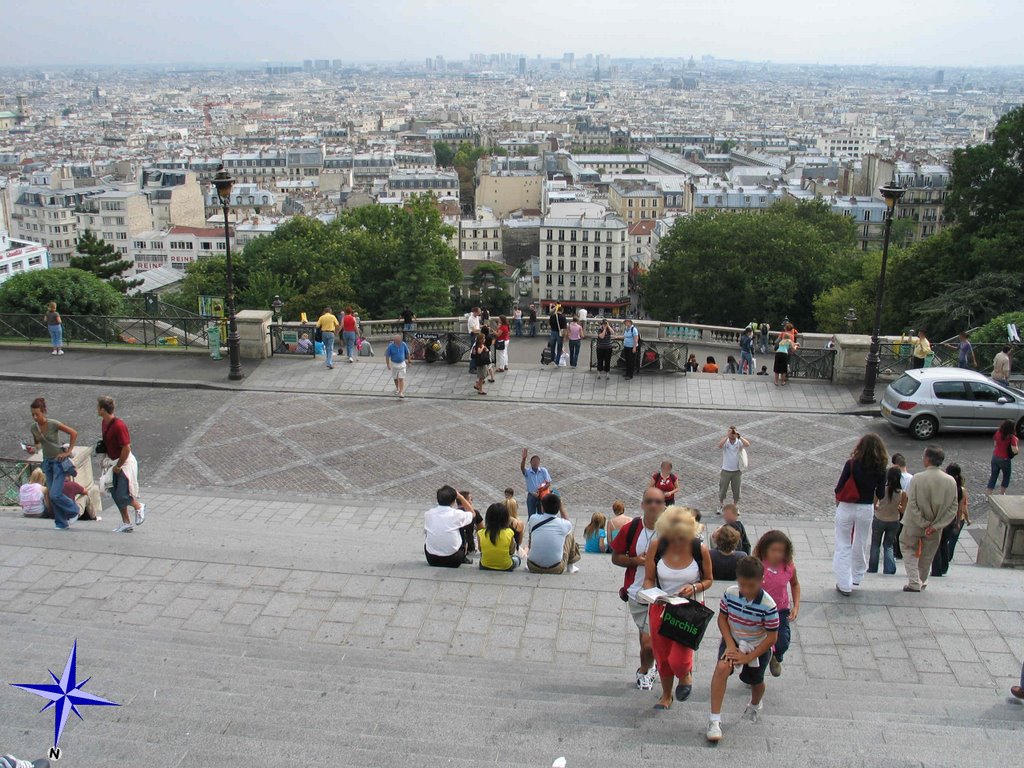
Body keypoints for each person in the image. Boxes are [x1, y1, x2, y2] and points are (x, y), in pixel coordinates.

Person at [644, 505, 713, 710]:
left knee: (679, 659)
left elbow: (709, 579)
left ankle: (685, 675)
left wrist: (694, 587)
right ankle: (666, 696)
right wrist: (652, 594)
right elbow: (649, 579)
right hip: (661, 607)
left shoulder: (699, 549)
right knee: (663, 657)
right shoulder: (657, 546)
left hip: (688, 610)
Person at [706, 556, 780, 743]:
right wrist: (730, 645)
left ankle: (755, 704)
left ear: (761, 581)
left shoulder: (769, 606)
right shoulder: (730, 593)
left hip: (757, 646)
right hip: (734, 640)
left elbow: (772, 637)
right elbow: (722, 618)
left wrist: (749, 657)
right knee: (722, 669)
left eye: (751, 586)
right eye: (742, 585)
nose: (746, 590)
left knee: (756, 681)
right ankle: (714, 720)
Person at [611, 488, 667, 691]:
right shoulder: (632, 528)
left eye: (658, 502)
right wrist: (636, 560)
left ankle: (646, 670)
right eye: (649, 501)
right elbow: (616, 557)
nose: (653, 505)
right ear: (642, 505)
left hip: (664, 596)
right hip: (638, 594)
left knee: (648, 641)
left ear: (664, 506)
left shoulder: (671, 531)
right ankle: (648, 667)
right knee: (647, 640)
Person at [833, 433, 888, 596]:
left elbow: (838, 488)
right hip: (865, 508)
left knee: (843, 544)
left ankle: (844, 583)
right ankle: (857, 576)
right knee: (861, 541)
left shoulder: (851, 464)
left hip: (847, 506)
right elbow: (881, 493)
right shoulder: (881, 467)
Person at [900, 445, 958, 593]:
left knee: (907, 547)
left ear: (927, 459)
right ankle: (921, 580)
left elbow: (911, 503)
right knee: (927, 555)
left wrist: (923, 522)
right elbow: (953, 508)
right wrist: (936, 525)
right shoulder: (950, 481)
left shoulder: (918, 478)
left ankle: (914, 580)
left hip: (914, 523)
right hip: (935, 526)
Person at [25, 397, 79, 530]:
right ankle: (61, 523)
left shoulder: (53, 424)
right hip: (47, 463)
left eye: (37, 414)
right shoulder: (34, 427)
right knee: (51, 494)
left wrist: (68, 452)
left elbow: (73, 433)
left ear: (43, 411)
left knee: (55, 494)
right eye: (32, 414)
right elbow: (38, 444)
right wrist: (33, 448)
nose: (35, 417)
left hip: (58, 462)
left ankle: (74, 510)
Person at [755, 531, 800, 678]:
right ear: (765, 549)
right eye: (773, 550)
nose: (777, 554)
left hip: (779, 609)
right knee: (755, 644)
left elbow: (795, 584)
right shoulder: (757, 564)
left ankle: (776, 657)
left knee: (783, 641)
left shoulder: (788, 567)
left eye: (781, 551)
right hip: (757, 610)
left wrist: (796, 606)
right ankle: (753, 673)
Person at [98, 395, 146, 533]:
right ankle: (126, 522)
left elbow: (126, 448)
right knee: (113, 492)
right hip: (113, 463)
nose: (97, 409)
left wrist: (118, 466)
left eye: (98, 407)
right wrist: (106, 458)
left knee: (122, 494)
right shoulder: (104, 423)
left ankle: (139, 506)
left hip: (124, 463)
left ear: (102, 409)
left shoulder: (119, 425)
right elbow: (107, 443)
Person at [526, 492, 580, 574]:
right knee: (570, 535)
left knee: (533, 533)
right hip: (556, 568)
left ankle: (534, 556)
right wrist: (561, 507)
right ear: (558, 508)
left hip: (532, 566)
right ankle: (570, 567)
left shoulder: (533, 518)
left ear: (542, 507)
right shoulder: (563, 524)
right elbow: (569, 525)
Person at [931, 463, 969, 578]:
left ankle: (936, 569)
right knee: (944, 543)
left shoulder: (944, 484)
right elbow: (960, 507)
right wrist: (957, 522)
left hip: (941, 517)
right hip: (951, 519)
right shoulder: (961, 489)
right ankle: (944, 567)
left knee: (936, 544)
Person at [868, 466, 907, 576]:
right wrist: (897, 506)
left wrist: (880, 507)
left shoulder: (881, 490)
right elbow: (903, 509)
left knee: (875, 544)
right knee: (888, 545)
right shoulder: (902, 493)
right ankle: (889, 569)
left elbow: (874, 505)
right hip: (894, 520)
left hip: (879, 518)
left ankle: (872, 568)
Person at [424, 486, 475, 567]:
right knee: (462, 530)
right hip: (453, 560)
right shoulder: (457, 514)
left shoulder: (428, 514)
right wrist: (461, 497)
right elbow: (472, 513)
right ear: (454, 501)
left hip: (432, 559)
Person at [478, 502, 522, 571]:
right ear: (506, 518)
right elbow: (512, 551)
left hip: (485, 565)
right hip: (506, 566)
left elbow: (480, 550)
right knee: (517, 559)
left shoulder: (480, 533)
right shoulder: (509, 532)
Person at [718, 427, 750, 510]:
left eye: (733, 433)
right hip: (726, 470)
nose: (732, 435)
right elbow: (720, 445)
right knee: (723, 489)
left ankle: (735, 506)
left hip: (737, 471)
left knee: (736, 490)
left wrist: (739, 436)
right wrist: (727, 436)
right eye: (730, 433)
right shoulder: (726, 442)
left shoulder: (739, 442)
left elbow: (747, 444)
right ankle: (721, 504)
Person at [987, 419, 1019, 496]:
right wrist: (1016, 443)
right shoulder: (1012, 437)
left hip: (995, 457)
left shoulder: (998, 433)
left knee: (993, 476)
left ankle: (989, 494)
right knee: (1006, 476)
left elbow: (995, 444)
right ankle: (1002, 493)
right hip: (1005, 459)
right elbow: (1015, 451)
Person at [891, 452, 914, 560]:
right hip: (907, 508)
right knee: (902, 530)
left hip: (896, 507)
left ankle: (896, 551)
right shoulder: (912, 478)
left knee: (895, 531)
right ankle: (900, 551)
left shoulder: (895, 477)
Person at [520, 448, 553, 517]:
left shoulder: (543, 470)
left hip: (542, 496)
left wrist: (540, 490)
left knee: (541, 515)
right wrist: (523, 459)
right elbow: (522, 468)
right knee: (531, 516)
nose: (535, 463)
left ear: (539, 462)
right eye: (534, 461)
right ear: (530, 463)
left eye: (537, 461)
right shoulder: (528, 472)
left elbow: (548, 483)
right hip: (531, 496)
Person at [385, 334, 412, 398]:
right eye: (397, 341)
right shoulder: (390, 346)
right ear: (394, 341)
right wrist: (388, 364)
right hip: (394, 364)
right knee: (395, 378)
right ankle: (398, 388)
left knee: (401, 378)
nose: (399, 342)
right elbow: (387, 355)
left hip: (402, 364)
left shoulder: (403, 344)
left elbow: (408, 353)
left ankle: (401, 392)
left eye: (399, 340)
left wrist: (409, 361)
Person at [467, 307, 482, 372]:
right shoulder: (471, 319)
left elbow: (477, 327)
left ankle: (475, 366)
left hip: (477, 334)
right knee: (474, 351)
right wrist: (480, 330)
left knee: (477, 351)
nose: (480, 313)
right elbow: (473, 329)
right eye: (479, 311)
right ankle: (472, 367)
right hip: (474, 335)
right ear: (475, 312)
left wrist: (482, 326)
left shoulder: (477, 317)